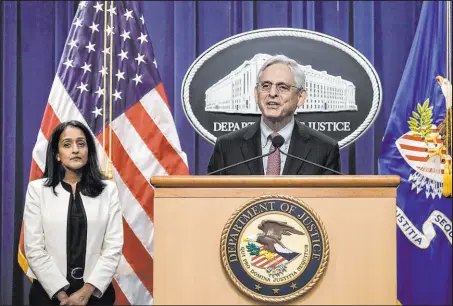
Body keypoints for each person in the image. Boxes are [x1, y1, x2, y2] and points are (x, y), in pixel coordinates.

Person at [23, 120, 123, 305]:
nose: (75, 150)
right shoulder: (37, 190)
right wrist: (61, 295)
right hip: (48, 294)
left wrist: (86, 291)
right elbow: (34, 248)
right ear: (57, 154)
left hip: (95, 294)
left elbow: (113, 247)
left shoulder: (108, 190)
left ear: (88, 152)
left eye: (81, 143)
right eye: (67, 144)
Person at [207, 54, 340, 175]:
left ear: (300, 97)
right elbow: (212, 198)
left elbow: (330, 200)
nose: (272, 93)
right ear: (256, 94)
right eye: (265, 86)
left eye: (282, 87)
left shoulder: (324, 149)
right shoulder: (227, 147)